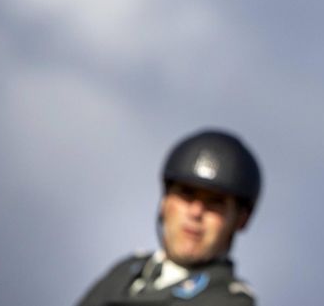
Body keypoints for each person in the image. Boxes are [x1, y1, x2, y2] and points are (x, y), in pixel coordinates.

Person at [76, 129, 261, 305]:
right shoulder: (125, 273)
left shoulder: (229, 302)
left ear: (241, 219)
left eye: (215, 203)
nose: (196, 212)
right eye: (186, 194)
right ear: (164, 200)